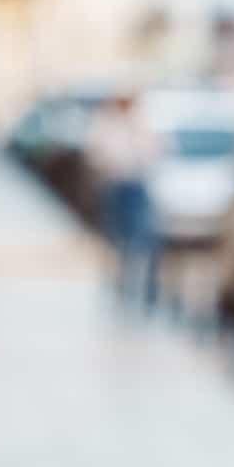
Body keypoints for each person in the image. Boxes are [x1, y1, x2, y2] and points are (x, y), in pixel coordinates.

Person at [84, 91, 162, 311]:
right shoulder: (105, 121)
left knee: (143, 236)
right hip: (115, 184)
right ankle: (117, 280)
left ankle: (142, 286)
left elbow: (154, 150)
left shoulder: (142, 121)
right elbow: (97, 152)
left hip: (136, 184)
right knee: (116, 236)